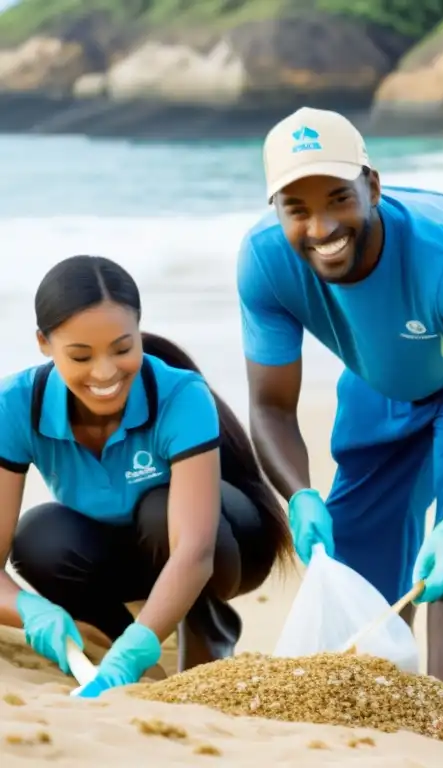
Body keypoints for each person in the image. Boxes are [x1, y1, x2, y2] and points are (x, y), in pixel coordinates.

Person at [237, 107, 443, 696]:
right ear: (276, 211)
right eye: (297, 209)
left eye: (339, 198)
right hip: (386, 359)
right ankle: (385, 694)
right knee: (355, 534)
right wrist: (301, 495)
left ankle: (442, 703)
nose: (321, 226)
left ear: (374, 186)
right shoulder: (264, 262)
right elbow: (270, 407)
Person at [0, 255, 291, 697]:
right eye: (80, 355)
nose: (104, 373)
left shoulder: (181, 395)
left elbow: (194, 550)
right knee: (38, 535)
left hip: (223, 544)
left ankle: (203, 631)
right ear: (44, 343)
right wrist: (30, 610)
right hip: (124, 547)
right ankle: (124, 640)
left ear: (139, 331)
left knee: (158, 508)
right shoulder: (15, 405)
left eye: (122, 349)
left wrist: (142, 645)